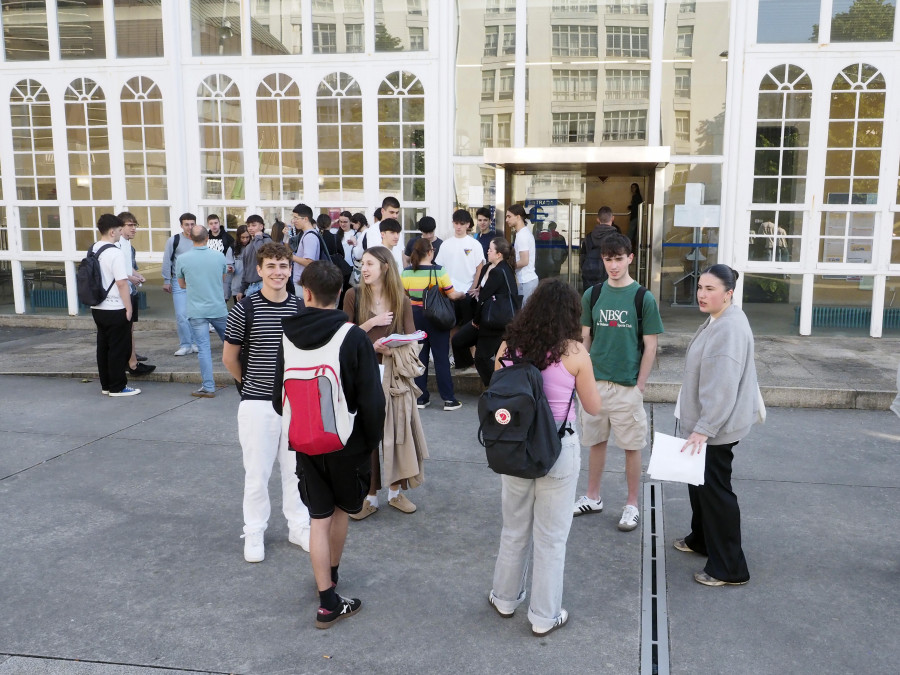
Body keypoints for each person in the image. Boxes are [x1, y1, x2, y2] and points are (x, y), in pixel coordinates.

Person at [488, 279, 603, 637]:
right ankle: (543, 616)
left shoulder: (509, 347)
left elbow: (497, 394)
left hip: (516, 447)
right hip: (558, 449)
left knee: (514, 529)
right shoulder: (575, 353)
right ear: (571, 314)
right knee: (551, 537)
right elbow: (594, 407)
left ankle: (505, 599)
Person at [274, 261, 385, 629]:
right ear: (340, 294)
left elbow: (279, 398)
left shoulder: (286, 335)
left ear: (305, 293)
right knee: (340, 513)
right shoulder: (351, 336)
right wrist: (370, 442)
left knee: (317, 519)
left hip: (304, 440)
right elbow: (372, 399)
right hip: (346, 442)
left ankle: (326, 597)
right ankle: (331, 583)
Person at [222, 242, 310, 562]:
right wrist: (250, 384)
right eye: (271, 266)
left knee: (296, 471)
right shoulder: (245, 308)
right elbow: (230, 357)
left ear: (291, 270)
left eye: (283, 266)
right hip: (257, 402)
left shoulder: (300, 308)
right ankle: (254, 529)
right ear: (259, 271)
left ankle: (299, 525)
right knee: (257, 472)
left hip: (295, 404)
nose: (277, 272)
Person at [674, 264, 760, 587]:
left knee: (715, 492)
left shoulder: (728, 329)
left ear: (729, 293)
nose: (701, 294)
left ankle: (729, 567)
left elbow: (722, 385)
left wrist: (704, 428)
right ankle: (702, 539)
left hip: (715, 430)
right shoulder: (720, 319)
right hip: (706, 424)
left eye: (710, 289)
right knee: (699, 486)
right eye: (700, 287)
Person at [573, 233, 663, 532]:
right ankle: (593, 496)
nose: (613, 265)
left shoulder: (643, 297)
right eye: (608, 259)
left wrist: (640, 385)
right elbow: (585, 339)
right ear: (603, 260)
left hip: (627, 385)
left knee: (631, 446)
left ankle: (632, 504)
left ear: (630, 259)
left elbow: (650, 346)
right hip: (595, 382)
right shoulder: (593, 295)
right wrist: (577, 376)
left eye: (619, 259)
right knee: (595, 442)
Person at [343, 246, 421, 519]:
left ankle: (396, 493)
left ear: (385, 267)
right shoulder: (353, 295)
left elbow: (413, 339)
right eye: (362, 263)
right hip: (363, 374)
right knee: (368, 436)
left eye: (370, 264)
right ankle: (370, 496)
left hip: (393, 373)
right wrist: (371, 326)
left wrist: (392, 349)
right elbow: (344, 335)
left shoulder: (401, 298)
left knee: (397, 433)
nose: (364, 269)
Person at [401, 237, 464, 410]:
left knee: (420, 357)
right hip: (436, 317)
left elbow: (403, 295)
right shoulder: (439, 271)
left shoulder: (406, 272)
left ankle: (421, 398)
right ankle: (449, 399)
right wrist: (462, 294)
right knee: (441, 357)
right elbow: (451, 295)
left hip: (415, 316)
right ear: (430, 252)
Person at [451, 237, 518, 386]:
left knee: (482, 358)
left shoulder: (499, 271)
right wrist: (479, 290)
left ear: (499, 254)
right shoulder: (495, 267)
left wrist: (475, 321)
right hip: (493, 318)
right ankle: (467, 366)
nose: (487, 251)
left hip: (491, 321)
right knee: (458, 340)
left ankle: (495, 387)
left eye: (490, 249)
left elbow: (484, 298)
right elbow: (489, 291)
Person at [89, 214, 139, 397]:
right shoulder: (115, 252)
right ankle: (118, 386)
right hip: (115, 306)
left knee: (103, 347)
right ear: (112, 231)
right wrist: (129, 308)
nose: (120, 233)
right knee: (118, 348)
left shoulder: (93, 249)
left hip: (98, 307)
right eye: (119, 230)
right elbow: (121, 283)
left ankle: (106, 385)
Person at [176, 225, 228, 398]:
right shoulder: (219, 256)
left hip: (196, 310)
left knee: (204, 349)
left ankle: (208, 386)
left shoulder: (182, 259)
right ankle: (247, 379)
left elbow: (182, 285)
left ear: (190, 238)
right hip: (218, 308)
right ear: (208, 238)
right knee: (233, 344)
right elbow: (221, 279)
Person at [435, 209, 485, 353]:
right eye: (456, 223)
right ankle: (455, 356)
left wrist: (473, 288)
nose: (458, 227)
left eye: (462, 224)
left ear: (468, 224)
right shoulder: (445, 244)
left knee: (471, 326)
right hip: (449, 292)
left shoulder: (474, 244)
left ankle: (473, 358)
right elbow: (440, 268)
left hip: (468, 290)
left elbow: (479, 267)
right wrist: (445, 289)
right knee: (451, 325)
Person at [117, 211, 155, 377]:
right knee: (126, 328)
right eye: (129, 225)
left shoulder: (127, 245)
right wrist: (131, 278)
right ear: (120, 227)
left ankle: (131, 356)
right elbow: (117, 271)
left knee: (130, 327)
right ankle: (132, 364)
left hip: (130, 290)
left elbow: (127, 266)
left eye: (134, 225)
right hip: (121, 293)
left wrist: (136, 275)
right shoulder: (117, 244)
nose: (133, 229)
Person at [163, 213, 198, 356]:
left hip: (196, 282)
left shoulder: (200, 240)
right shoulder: (174, 240)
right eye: (187, 224)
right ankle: (185, 344)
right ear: (181, 225)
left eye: (192, 224)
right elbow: (167, 260)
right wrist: (166, 280)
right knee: (181, 315)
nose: (190, 227)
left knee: (196, 315)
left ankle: (196, 343)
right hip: (178, 282)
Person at [581, 206, 620, 291]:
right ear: (613, 218)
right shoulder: (617, 238)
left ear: (598, 219)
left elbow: (582, 257)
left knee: (590, 300)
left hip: (589, 274)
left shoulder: (588, 237)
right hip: (609, 275)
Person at [506, 204, 538, 305]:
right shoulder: (521, 233)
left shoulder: (522, 235)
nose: (507, 220)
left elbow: (524, 261)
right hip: (526, 280)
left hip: (527, 281)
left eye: (509, 216)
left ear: (518, 217)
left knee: (525, 315)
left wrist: (508, 266)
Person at [239, 214, 272, 298]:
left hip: (264, 284)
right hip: (250, 286)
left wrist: (258, 237)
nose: (250, 228)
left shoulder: (267, 241)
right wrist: (241, 289)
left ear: (261, 226)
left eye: (253, 225)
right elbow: (246, 268)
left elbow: (262, 255)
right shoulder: (249, 245)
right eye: (248, 225)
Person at [206, 213, 235, 301]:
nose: (214, 226)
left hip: (224, 271)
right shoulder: (206, 237)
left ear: (219, 223)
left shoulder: (227, 237)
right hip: (209, 272)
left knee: (223, 296)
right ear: (208, 225)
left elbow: (233, 253)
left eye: (215, 223)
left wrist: (231, 266)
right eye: (211, 223)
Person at [230, 224, 250, 304]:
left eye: (247, 237)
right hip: (237, 287)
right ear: (238, 237)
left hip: (251, 287)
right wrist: (230, 268)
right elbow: (229, 263)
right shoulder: (232, 248)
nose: (245, 240)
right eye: (242, 237)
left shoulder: (253, 247)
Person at [628, 183, 644, 254]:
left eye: (634, 187)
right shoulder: (637, 196)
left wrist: (631, 208)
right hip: (637, 217)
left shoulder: (636, 196)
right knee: (635, 235)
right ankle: (635, 251)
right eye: (632, 187)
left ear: (637, 188)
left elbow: (636, 207)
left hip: (635, 217)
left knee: (630, 235)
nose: (632, 189)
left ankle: (627, 251)